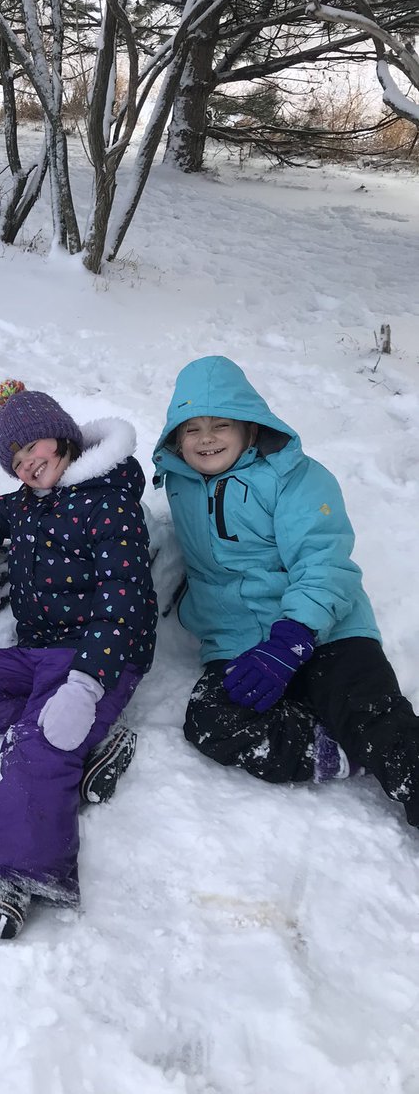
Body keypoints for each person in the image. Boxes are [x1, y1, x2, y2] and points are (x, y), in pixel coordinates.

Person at [0, 380, 158, 939]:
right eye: (16, 461)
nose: (27, 465)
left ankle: (12, 877)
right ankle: (93, 746)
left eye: (35, 450)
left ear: (64, 441)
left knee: (39, 744)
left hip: (98, 656)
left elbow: (124, 602)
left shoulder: (108, 503)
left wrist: (87, 683)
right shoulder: (27, 504)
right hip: (38, 650)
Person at [153, 354, 419, 830]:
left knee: (376, 719)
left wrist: (291, 640)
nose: (206, 438)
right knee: (210, 722)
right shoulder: (179, 484)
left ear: (251, 428)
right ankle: (333, 751)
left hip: (325, 633)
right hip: (237, 644)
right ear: (175, 438)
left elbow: (325, 562)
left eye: (221, 424)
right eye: (191, 429)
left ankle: (378, 753)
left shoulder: (296, 477)